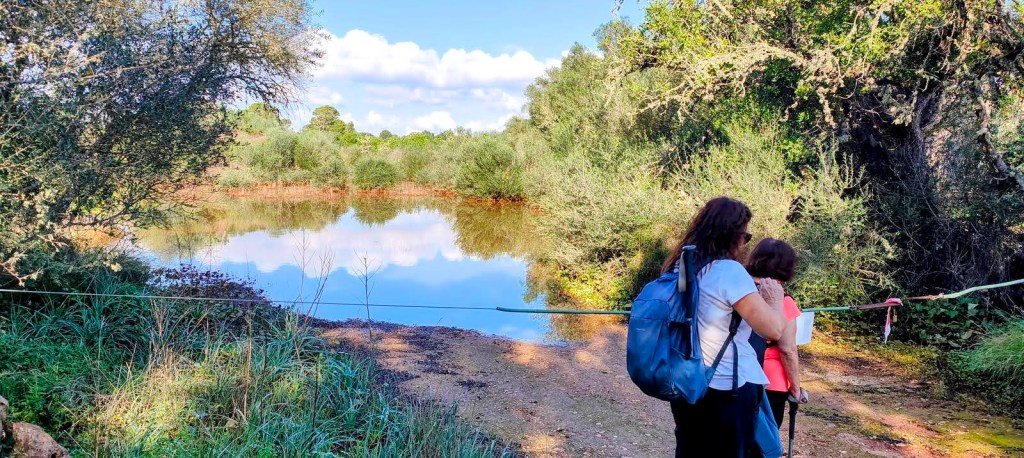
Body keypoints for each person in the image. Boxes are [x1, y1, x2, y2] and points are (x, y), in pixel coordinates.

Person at [664, 197, 786, 457]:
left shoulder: (681, 266)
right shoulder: (729, 272)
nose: (745, 243)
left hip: (687, 380)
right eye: (745, 235)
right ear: (732, 236)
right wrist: (775, 301)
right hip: (726, 387)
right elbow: (773, 330)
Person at [745, 238, 809, 429]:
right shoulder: (783, 300)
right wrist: (796, 388)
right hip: (771, 382)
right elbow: (787, 349)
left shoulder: (740, 291)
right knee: (762, 442)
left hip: (736, 375)